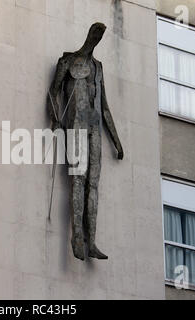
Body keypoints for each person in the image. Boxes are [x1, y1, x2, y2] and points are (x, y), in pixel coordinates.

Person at [48, 23, 124, 260]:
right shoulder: (68, 61)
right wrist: (56, 119)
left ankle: (91, 241)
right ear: (89, 34)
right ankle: (77, 237)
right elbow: (53, 92)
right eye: (94, 33)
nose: (96, 38)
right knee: (78, 181)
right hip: (76, 127)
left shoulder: (98, 68)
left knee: (94, 184)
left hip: (94, 128)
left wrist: (116, 140)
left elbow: (105, 107)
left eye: (100, 36)